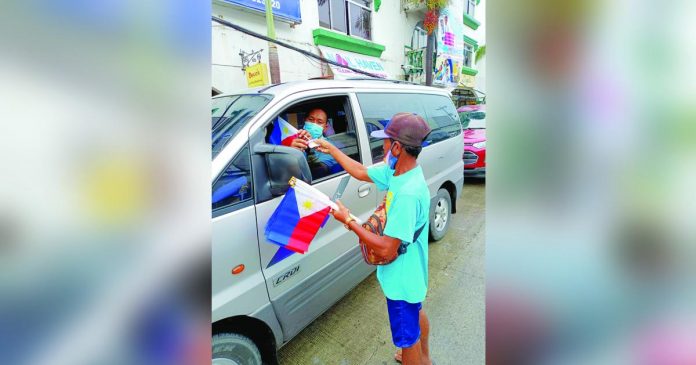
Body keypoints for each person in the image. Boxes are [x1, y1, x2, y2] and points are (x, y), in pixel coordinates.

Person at [314, 113, 433, 365]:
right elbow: (359, 171)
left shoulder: (408, 194)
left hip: (401, 279)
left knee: (406, 338)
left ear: (398, 148)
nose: (384, 148)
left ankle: (416, 356)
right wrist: (330, 147)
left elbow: (387, 249)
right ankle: (425, 357)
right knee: (416, 312)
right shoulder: (401, 173)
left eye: (387, 143)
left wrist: (348, 220)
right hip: (412, 274)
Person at [283, 108, 341, 177]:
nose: (314, 124)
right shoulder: (295, 139)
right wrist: (291, 151)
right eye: (310, 120)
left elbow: (317, 171)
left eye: (319, 122)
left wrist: (307, 148)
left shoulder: (330, 146)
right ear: (305, 121)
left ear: (325, 128)